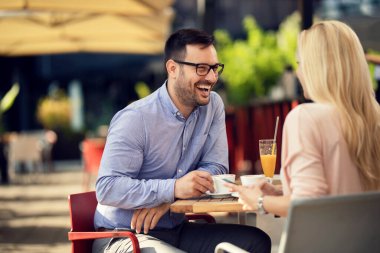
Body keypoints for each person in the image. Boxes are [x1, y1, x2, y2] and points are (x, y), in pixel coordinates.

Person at [92, 28, 271, 253]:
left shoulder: (213, 106)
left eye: (215, 68)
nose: (212, 77)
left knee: (256, 242)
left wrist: (171, 198)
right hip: (122, 236)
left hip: (175, 230)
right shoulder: (136, 118)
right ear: (173, 69)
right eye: (202, 68)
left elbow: (217, 167)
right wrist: (174, 187)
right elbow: (108, 188)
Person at [226, 20, 380, 217]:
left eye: (300, 63)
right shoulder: (374, 116)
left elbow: (308, 205)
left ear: (317, 68)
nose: (298, 72)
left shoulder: (305, 118)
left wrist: (259, 201)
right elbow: (345, 195)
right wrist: (283, 193)